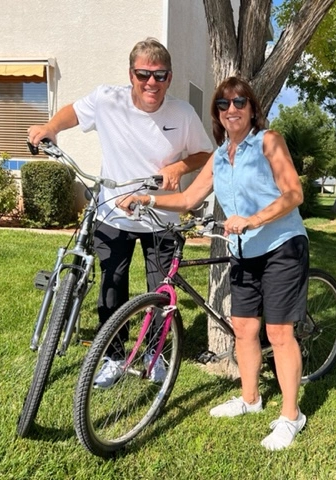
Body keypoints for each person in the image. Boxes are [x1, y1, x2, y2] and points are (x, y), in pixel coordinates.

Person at [117, 76, 309, 451]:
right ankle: (251, 399)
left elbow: (294, 193)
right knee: (243, 328)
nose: (231, 109)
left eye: (239, 103)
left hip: (282, 246)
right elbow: (188, 197)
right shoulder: (220, 156)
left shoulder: (269, 142)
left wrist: (254, 219)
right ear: (217, 114)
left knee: (279, 333)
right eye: (223, 105)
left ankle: (291, 416)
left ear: (252, 109)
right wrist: (148, 199)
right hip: (243, 251)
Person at [28, 38, 213, 387]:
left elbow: (205, 155)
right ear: (131, 74)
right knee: (112, 286)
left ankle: (155, 355)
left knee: (161, 291)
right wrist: (50, 128)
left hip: (161, 217)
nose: (151, 83)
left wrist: (179, 166)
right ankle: (113, 356)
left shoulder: (182, 113)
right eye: (143, 74)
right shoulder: (107, 99)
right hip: (113, 215)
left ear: (169, 78)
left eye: (160, 76)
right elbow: (74, 112)